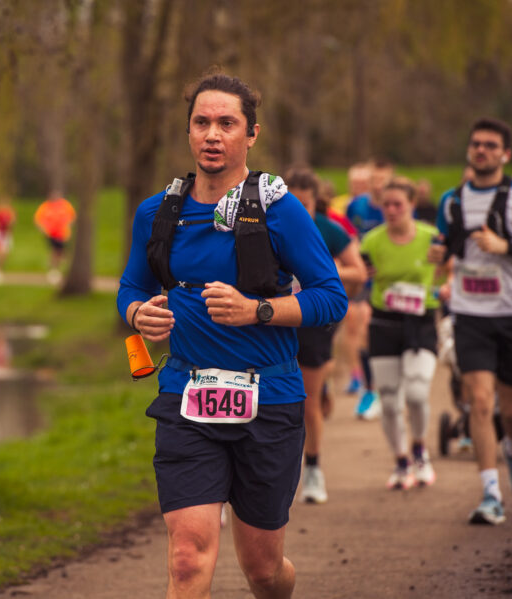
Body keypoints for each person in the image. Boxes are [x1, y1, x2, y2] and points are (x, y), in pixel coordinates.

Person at [117, 73, 347, 598]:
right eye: (202, 123)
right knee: (186, 557)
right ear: (189, 132)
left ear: (252, 134)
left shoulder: (279, 210)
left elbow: (331, 297)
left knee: (263, 570)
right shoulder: (158, 212)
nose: (212, 135)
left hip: (269, 399)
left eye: (227, 123)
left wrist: (257, 310)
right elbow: (132, 286)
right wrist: (137, 313)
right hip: (187, 397)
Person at [429, 118, 512, 525]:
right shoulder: (451, 201)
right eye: (476, 144)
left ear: (505, 154)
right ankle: (490, 495)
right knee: (480, 402)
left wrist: (507, 246)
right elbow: (446, 245)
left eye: (490, 145)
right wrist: (439, 255)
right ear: (469, 150)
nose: (481, 150)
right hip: (471, 314)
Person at [286, 167, 367, 504]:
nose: (297, 211)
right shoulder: (265, 225)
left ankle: (313, 469)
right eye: (291, 203)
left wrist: (330, 270)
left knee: (307, 402)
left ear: (315, 202)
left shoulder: (329, 229)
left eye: (304, 205)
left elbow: (359, 273)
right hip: (273, 321)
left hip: (314, 323)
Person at [361, 178, 441, 489]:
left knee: (417, 394)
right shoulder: (371, 242)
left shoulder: (431, 237)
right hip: (383, 322)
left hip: (421, 322)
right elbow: (356, 277)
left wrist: (446, 283)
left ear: (412, 205)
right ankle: (401, 461)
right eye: (386, 205)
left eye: (398, 204)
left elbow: (452, 267)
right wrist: (361, 275)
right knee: (390, 400)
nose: (391, 210)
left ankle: (419, 450)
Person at [344, 159, 395, 419]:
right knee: (359, 324)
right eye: (374, 180)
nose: (378, 185)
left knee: (382, 332)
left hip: (390, 280)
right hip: (364, 279)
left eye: (383, 181)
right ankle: (368, 386)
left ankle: (387, 385)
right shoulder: (356, 206)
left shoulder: (396, 206)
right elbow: (346, 238)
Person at [33, 192, 76, 284]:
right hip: (51, 233)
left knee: (62, 253)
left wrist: (68, 226)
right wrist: (43, 229)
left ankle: (61, 270)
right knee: (54, 251)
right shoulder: (45, 206)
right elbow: (37, 219)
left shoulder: (65, 205)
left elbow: (73, 217)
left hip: (63, 234)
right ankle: (53, 270)